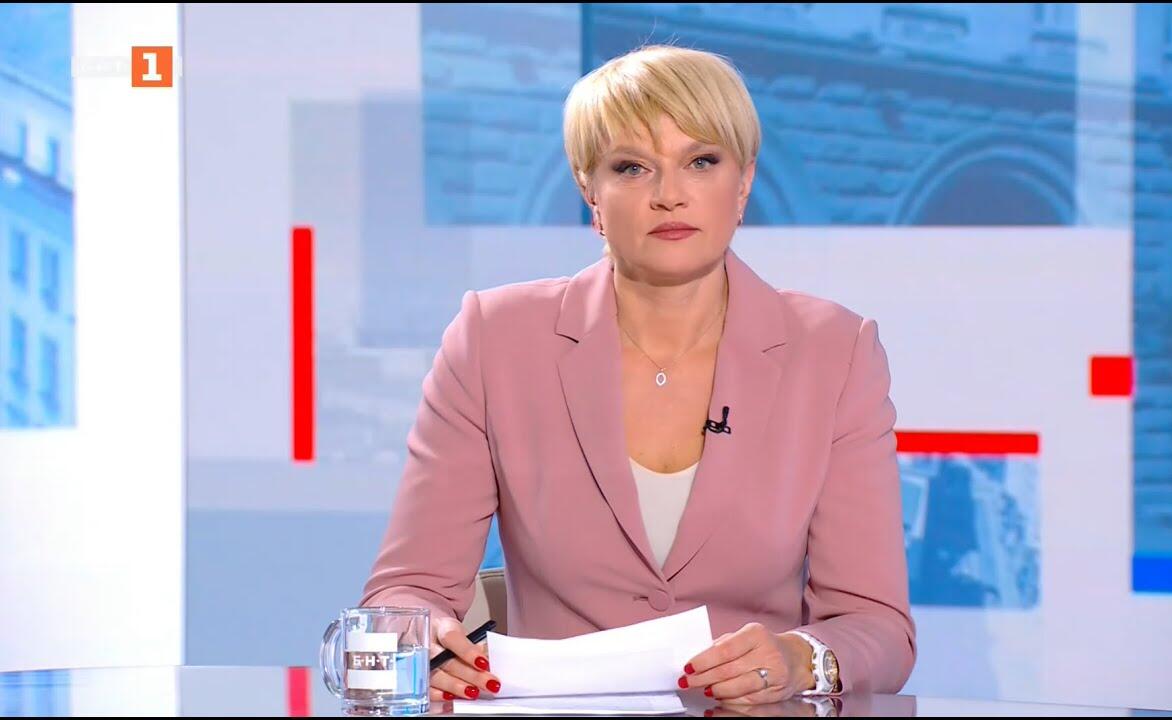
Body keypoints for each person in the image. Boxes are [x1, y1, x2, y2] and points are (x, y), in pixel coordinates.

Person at [360, 44, 916, 706]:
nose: (669, 195)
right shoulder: (493, 338)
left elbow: (877, 627)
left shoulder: (834, 351)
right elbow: (404, 593)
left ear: (743, 182)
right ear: (589, 191)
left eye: (701, 162)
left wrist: (801, 660)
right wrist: (421, 641)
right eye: (632, 167)